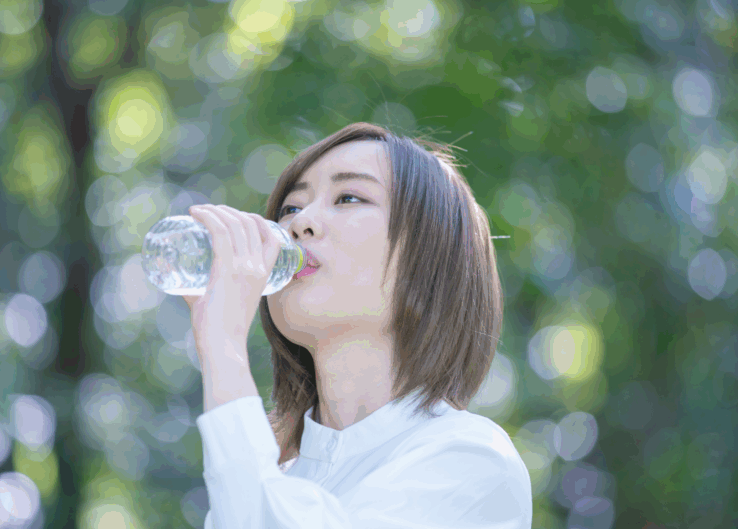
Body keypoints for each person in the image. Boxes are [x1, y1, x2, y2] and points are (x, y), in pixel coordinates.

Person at [184, 122, 532, 528]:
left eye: (348, 197)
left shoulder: (473, 460)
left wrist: (224, 347)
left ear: (429, 258)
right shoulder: (270, 481)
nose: (299, 224)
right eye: (291, 208)